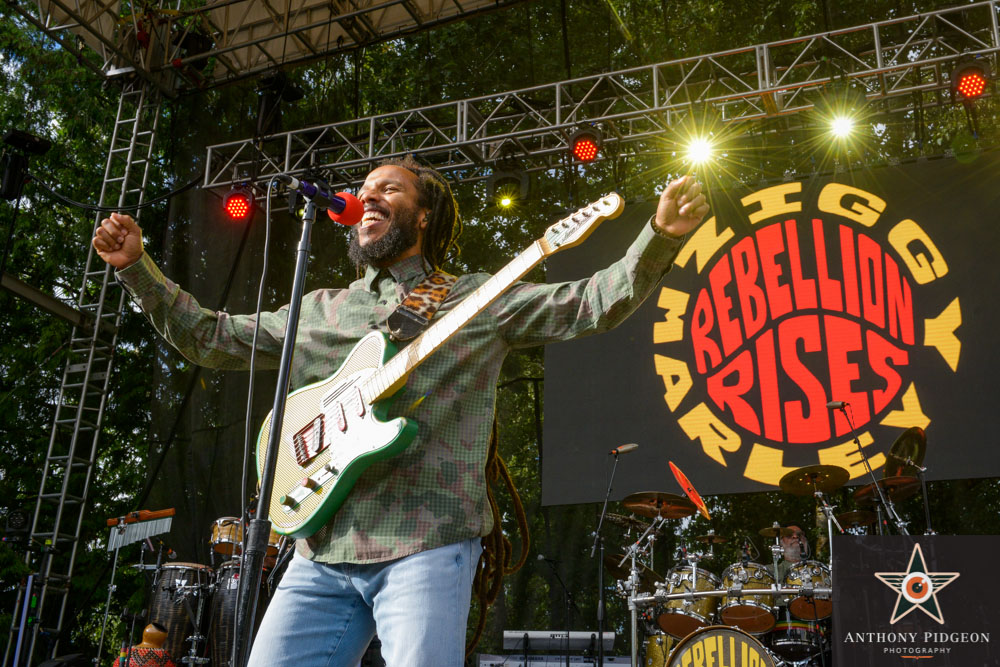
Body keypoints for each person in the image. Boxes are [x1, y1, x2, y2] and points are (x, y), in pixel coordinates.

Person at [92, 156, 709, 666]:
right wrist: (138, 270)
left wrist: (658, 237)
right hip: (321, 548)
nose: (369, 197)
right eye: (363, 191)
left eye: (389, 188)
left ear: (424, 214)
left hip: (427, 540)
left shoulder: (474, 298)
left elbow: (591, 303)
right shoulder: (323, 309)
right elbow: (210, 337)